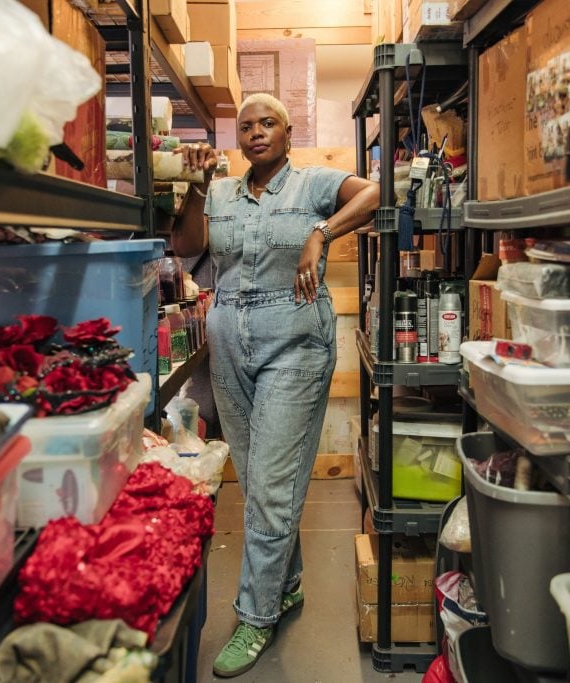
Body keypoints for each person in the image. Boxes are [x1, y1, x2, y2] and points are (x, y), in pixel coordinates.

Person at [172, 93, 379, 677]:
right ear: (239, 138)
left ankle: (255, 615)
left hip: (294, 340)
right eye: (248, 126)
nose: (257, 132)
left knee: (267, 484)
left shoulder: (312, 184)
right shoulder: (219, 193)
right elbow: (188, 247)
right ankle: (285, 585)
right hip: (229, 342)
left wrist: (323, 231)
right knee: (257, 470)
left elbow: (377, 191)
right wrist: (191, 184)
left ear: (287, 133)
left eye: (269, 123)